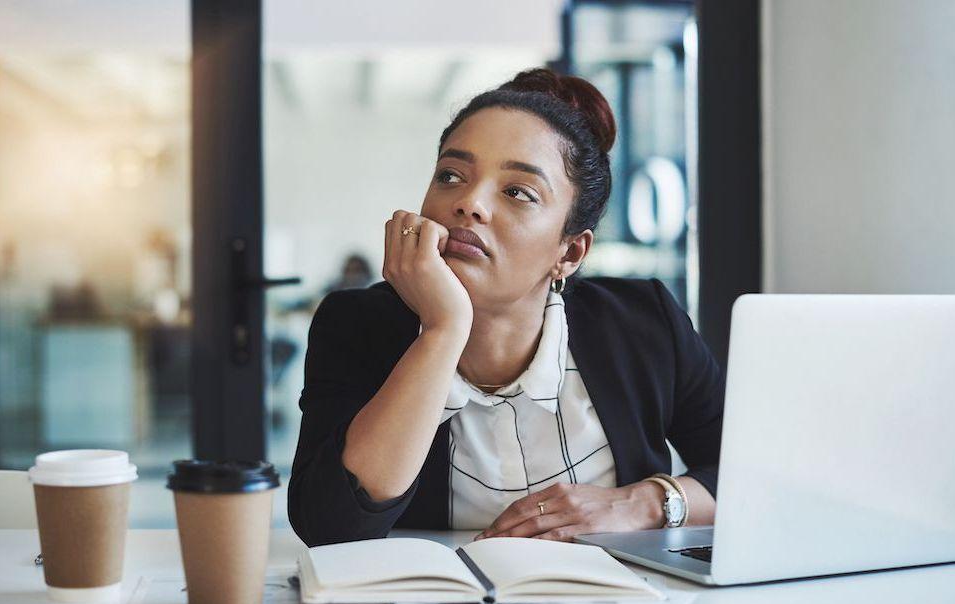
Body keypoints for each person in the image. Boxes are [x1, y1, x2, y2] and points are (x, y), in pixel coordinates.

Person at [289, 68, 723, 547]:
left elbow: (756, 476)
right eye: (451, 176)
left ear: (571, 252)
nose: (469, 203)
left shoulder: (644, 322)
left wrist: (644, 503)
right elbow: (329, 527)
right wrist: (443, 329)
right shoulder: (356, 324)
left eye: (518, 192)